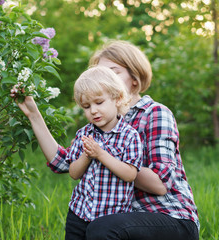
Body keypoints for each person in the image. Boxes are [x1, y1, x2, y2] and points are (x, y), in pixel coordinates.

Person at [15, 40, 199, 240]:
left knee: (102, 228)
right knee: (89, 225)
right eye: (99, 73)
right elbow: (64, 163)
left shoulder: (154, 113)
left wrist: (103, 157)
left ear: (135, 78)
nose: (103, 79)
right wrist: (33, 115)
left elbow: (160, 184)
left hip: (167, 216)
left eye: (113, 72)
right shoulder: (98, 122)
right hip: (120, 216)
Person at [64, 66, 142, 240]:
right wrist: (87, 155)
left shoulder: (130, 136)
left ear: (118, 98)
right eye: (86, 106)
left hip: (111, 217)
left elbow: (130, 174)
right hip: (79, 213)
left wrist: (100, 154)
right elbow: (74, 173)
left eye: (99, 103)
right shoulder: (83, 134)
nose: (93, 111)